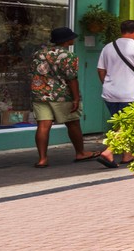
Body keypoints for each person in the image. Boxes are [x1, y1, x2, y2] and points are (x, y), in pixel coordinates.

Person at [96, 20, 134, 168]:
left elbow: (101, 70)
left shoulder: (108, 48)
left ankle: (127, 155)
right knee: (129, 125)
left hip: (111, 93)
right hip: (132, 93)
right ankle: (109, 152)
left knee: (120, 125)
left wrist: (107, 84)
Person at [32, 27, 93, 168]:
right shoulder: (69, 56)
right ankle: (80, 152)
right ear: (66, 40)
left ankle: (42, 159)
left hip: (40, 93)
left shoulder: (39, 54)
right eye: (71, 37)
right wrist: (76, 98)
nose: (73, 39)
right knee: (73, 123)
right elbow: (72, 79)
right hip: (61, 95)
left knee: (43, 125)